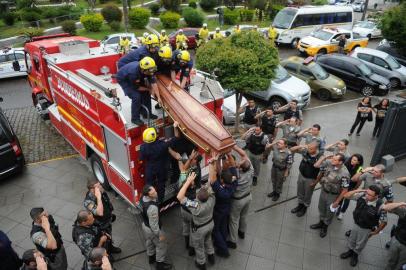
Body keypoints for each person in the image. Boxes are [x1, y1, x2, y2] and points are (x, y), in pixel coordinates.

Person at [177, 166, 216, 270]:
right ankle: (211, 255)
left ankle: (201, 263)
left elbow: (179, 197)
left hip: (200, 229)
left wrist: (188, 181)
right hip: (210, 224)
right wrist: (212, 164)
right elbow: (211, 181)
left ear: (197, 198)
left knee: (198, 246)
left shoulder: (195, 205)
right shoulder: (212, 199)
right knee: (208, 239)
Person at [340, 186, 387, 267]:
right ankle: (350, 251)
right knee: (352, 239)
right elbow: (346, 196)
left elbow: (384, 222)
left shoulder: (380, 206)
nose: (367, 196)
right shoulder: (362, 196)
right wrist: (359, 190)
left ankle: (355, 255)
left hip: (366, 228)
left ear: (376, 196)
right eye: (367, 193)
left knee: (360, 243)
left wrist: (376, 231)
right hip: (356, 223)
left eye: (370, 195)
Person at [311, 153, 350, 238]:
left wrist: (337, 201)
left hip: (333, 195)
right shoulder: (329, 163)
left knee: (329, 212)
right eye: (333, 158)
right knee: (321, 207)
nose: (332, 160)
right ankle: (320, 222)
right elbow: (317, 167)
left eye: (335, 160)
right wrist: (316, 182)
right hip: (324, 190)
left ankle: (325, 227)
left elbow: (345, 190)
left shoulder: (345, 173)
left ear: (340, 162)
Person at [139, 122, 180, 203]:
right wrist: (175, 127)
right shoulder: (162, 145)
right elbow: (176, 138)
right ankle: (160, 200)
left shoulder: (143, 147)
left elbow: (141, 158)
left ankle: (149, 200)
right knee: (161, 184)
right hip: (161, 168)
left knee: (149, 184)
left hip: (150, 168)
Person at [172, 149, 201, 255]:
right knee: (192, 229)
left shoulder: (185, 179)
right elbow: (184, 169)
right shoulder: (193, 195)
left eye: (193, 159)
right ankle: (191, 249)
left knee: (185, 225)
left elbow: (183, 170)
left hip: (183, 210)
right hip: (191, 211)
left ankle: (186, 244)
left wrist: (182, 160)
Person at [116, 57, 159, 125]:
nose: (151, 73)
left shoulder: (149, 69)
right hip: (124, 79)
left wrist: (158, 97)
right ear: (143, 70)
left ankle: (146, 114)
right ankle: (135, 118)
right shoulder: (133, 73)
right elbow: (137, 87)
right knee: (136, 96)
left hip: (137, 76)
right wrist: (149, 89)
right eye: (149, 71)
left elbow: (153, 83)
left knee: (146, 93)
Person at [83, 178, 121, 255]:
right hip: (100, 225)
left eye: (100, 184)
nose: (101, 186)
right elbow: (99, 213)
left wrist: (110, 213)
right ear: (92, 189)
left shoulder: (101, 191)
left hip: (107, 220)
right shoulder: (88, 201)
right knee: (104, 241)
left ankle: (111, 247)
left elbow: (106, 201)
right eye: (98, 186)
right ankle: (107, 254)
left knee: (109, 236)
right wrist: (98, 197)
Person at [139, 185, 172, 270]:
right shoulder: (152, 207)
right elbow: (154, 226)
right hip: (151, 229)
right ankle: (160, 265)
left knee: (150, 241)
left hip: (145, 225)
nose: (156, 193)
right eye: (153, 193)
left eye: (155, 190)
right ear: (148, 195)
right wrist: (160, 235)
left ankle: (151, 257)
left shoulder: (142, 197)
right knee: (161, 245)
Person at [227, 145, 254, 249]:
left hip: (238, 200)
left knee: (233, 220)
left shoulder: (235, 177)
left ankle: (233, 241)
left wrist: (229, 153)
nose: (239, 161)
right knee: (244, 216)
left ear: (240, 168)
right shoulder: (250, 169)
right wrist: (234, 146)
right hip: (248, 197)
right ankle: (242, 232)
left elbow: (233, 167)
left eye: (240, 162)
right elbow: (243, 154)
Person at [212, 160, 237, 258]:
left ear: (222, 181)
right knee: (223, 226)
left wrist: (212, 163)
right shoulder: (233, 184)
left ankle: (224, 250)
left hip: (218, 212)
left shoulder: (221, 192)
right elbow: (233, 168)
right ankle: (224, 240)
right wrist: (218, 159)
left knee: (215, 230)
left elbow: (213, 179)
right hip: (226, 209)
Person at [290, 143, 322, 217]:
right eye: (308, 148)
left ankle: (304, 207)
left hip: (310, 179)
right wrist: (301, 146)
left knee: (308, 194)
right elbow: (292, 149)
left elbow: (322, 172)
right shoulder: (305, 151)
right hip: (301, 175)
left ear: (316, 149)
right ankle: (300, 204)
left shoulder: (319, 157)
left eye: (311, 149)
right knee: (300, 191)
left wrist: (316, 182)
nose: (309, 150)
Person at [336, 154, 364, 220]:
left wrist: (355, 189)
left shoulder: (360, 169)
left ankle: (342, 212)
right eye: (352, 159)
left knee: (347, 200)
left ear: (358, 162)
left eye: (354, 160)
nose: (352, 160)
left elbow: (359, 181)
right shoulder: (346, 164)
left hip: (351, 186)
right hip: (343, 184)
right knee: (340, 197)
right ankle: (338, 208)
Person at [382, 201, 406, 270]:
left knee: (400, 265)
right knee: (391, 260)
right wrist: (401, 203)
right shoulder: (404, 211)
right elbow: (386, 207)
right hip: (397, 240)